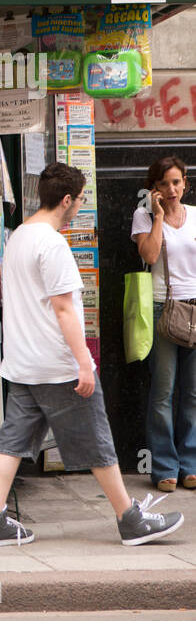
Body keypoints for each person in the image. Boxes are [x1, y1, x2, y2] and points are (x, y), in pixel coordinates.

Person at [0, 163, 184, 547]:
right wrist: (84, 362)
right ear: (67, 200)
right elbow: (64, 309)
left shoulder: (20, 236)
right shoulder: (53, 244)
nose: (80, 206)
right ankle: (130, 519)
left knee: (12, 443)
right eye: (81, 199)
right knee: (99, 441)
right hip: (57, 366)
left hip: (23, 363)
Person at [133, 155, 196, 491]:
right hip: (162, 309)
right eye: (163, 184)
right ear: (153, 188)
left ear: (185, 182)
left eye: (176, 182)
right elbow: (151, 256)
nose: (171, 189)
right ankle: (165, 468)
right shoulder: (143, 217)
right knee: (163, 392)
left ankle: (191, 465)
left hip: (195, 309)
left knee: (193, 394)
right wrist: (158, 217)